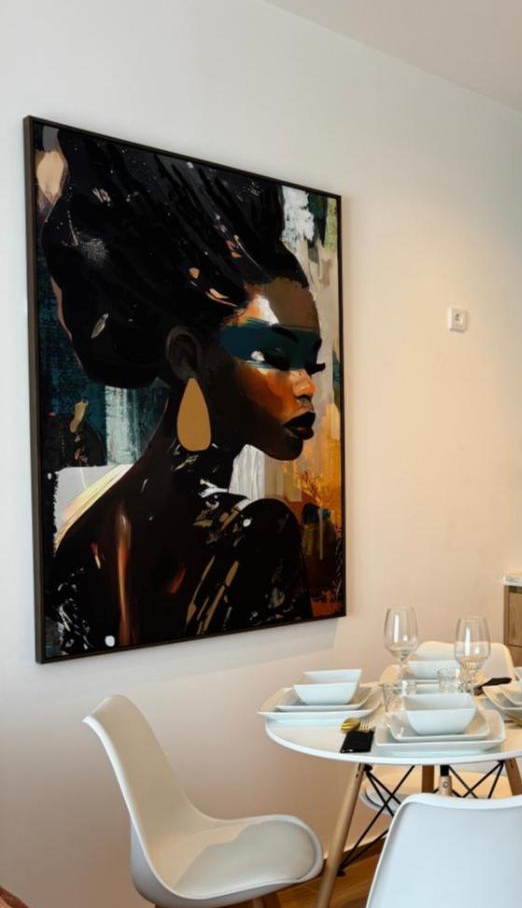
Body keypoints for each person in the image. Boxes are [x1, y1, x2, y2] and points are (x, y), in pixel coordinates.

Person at [36, 130, 331, 655]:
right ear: (186, 356)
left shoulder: (84, 538)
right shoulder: (257, 532)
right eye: (274, 357)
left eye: (311, 363)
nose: (308, 386)